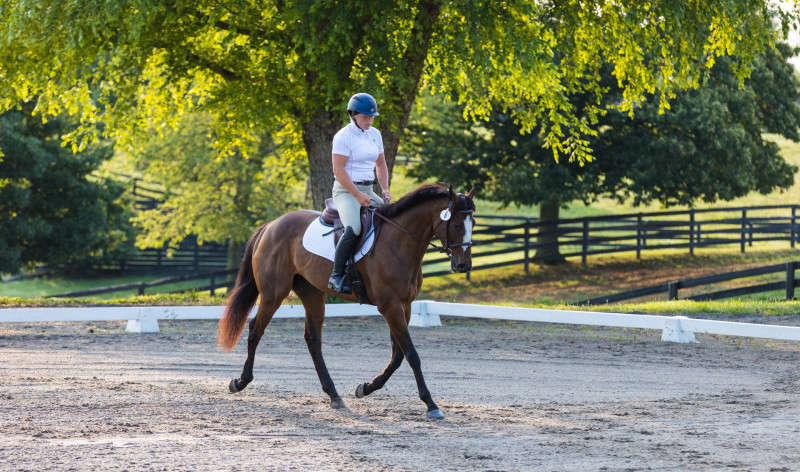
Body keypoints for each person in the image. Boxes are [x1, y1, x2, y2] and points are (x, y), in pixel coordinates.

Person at [327, 92, 391, 293]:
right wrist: (356, 195)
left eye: (372, 117)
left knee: (391, 221)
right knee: (353, 227)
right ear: (353, 115)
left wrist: (385, 189)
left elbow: (380, 164)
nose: (369, 120)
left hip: (368, 189)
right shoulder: (343, 137)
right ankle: (336, 276)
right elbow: (338, 170)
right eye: (365, 117)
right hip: (346, 191)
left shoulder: (375, 134)